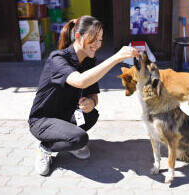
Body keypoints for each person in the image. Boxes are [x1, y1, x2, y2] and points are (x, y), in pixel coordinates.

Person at [28, 15, 139, 176]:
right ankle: (45, 148)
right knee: (80, 138)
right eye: (93, 39)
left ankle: (68, 142)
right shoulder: (57, 59)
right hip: (43, 120)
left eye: (100, 40)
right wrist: (116, 58)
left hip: (66, 116)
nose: (98, 44)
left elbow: (93, 94)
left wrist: (91, 103)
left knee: (91, 115)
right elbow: (80, 81)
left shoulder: (88, 61)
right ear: (78, 36)